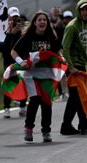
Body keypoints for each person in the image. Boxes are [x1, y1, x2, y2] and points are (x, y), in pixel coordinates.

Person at [11, 10, 63, 142]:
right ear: (35, 22)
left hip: (46, 74)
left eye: (44, 20)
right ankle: (28, 128)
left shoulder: (51, 36)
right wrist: (21, 62)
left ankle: (46, 131)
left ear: (47, 23)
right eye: (39, 19)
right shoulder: (28, 36)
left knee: (47, 103)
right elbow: (14, 52)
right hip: (31, 74)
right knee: (35, 100)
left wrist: (62, 58)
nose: (42, 22)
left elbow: (58, 51)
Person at [60, 0, 87, 136]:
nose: (85, 12)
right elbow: (65, 49)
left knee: (74, 98)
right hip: (73, 67)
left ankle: (66, 126)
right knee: (79, 96)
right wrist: (71, 67)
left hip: (83, 66)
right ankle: (84, 125)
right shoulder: (71, 26)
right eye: (83, 10)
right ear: (78, 11)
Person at [2, 7, 27, 118]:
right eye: (13, 18)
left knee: (23, 82)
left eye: (17, 17)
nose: (15, 20)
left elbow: (24, 44)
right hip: (8, 61)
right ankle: (6, 108)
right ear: (9, 18)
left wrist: (21, 30)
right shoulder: (5, 30)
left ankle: (22, 106)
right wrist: (10, 33)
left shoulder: (22, 28)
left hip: (20, 59)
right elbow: (6, 48)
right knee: (8, 83)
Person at [54, 10, 73, 102]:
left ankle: (71, 92)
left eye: (70, 18)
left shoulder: (73, 28)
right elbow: (56, 39)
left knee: (70, 74)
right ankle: (62, 93)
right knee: (60, 74)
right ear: (63, 19)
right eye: (66, 18)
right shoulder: (59, 28)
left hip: (71, 54)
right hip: (61, 53)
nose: (68, 20)